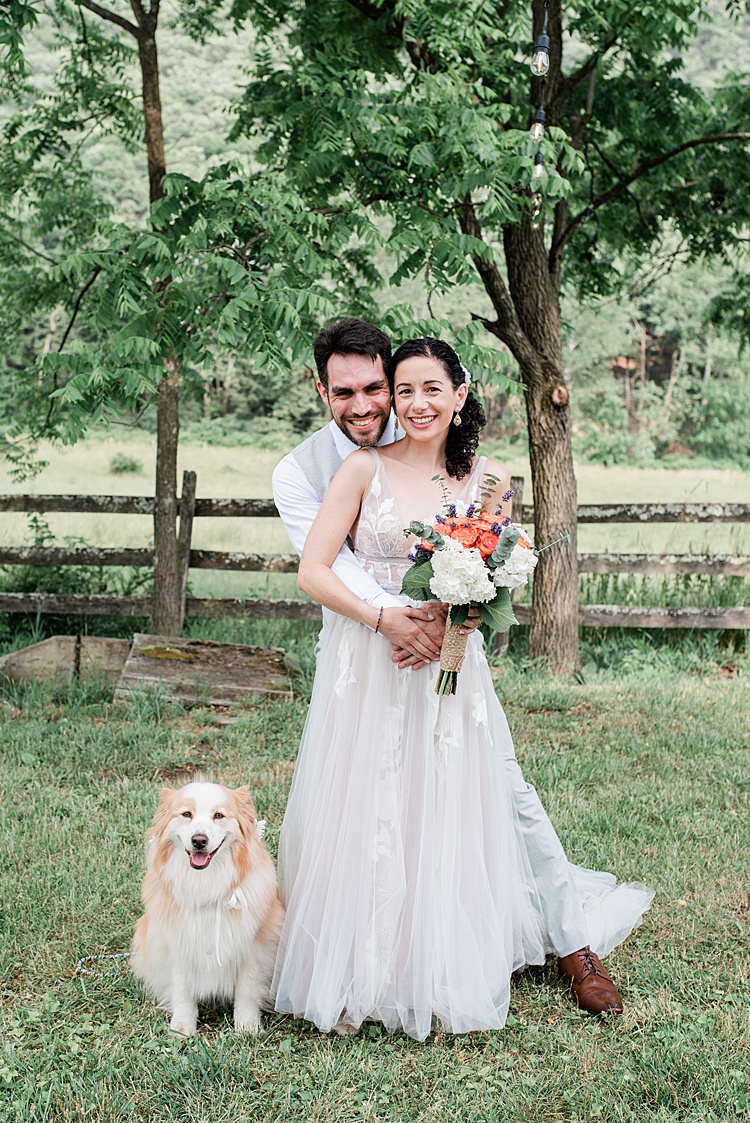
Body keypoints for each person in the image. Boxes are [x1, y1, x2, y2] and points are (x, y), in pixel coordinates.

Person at [272, 325, 654, 1036]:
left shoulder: (489, 479)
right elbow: (314, 567)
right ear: (323, 391)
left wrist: (461, 618)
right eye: (400, 390)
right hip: (369, 659)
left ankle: (561, 945)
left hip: (450, 664)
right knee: (367, 799)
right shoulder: (347, 468)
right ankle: (363, 965)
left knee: (484, 795)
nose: (407, 403)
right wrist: (390, 622)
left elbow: (494, 577)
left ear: (460, 395)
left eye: (421, 389)